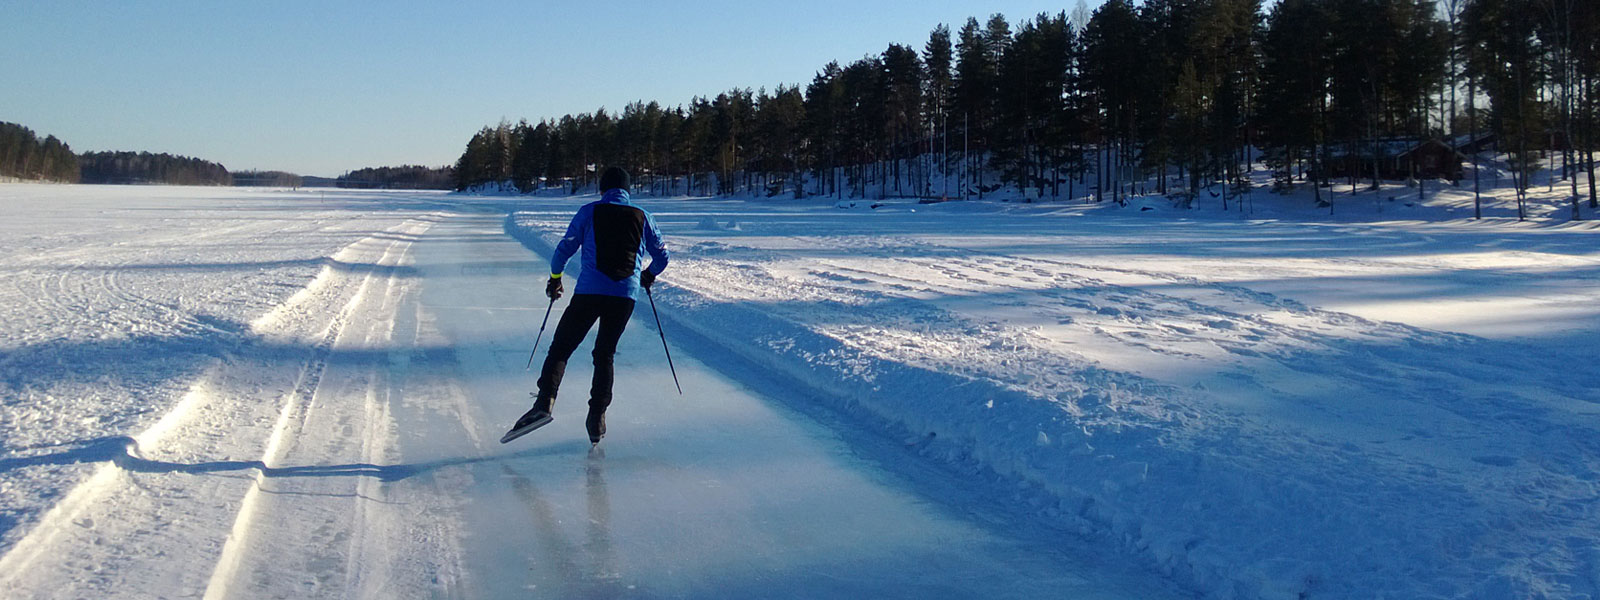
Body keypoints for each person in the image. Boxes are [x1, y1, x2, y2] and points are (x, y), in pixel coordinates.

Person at [506, 166, 669, 445]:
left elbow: (564, 249)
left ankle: (544, 403)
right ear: (627, 191)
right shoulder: (644, 216)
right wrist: (648, 275)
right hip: (624, 296)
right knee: (604, 354)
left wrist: (555, 279)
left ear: (603, 189)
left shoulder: (589, 211)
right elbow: (663, 256)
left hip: (589, 293)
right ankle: (597, 418)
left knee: (561, 347)